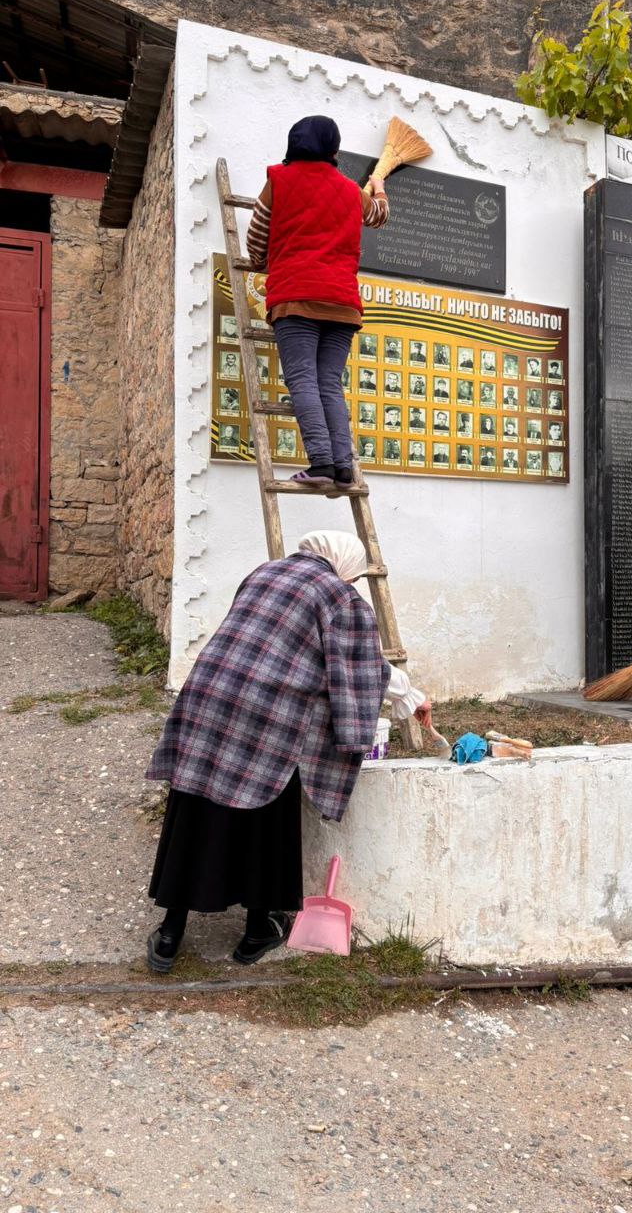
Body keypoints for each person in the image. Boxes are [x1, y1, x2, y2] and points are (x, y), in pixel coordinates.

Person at [144, 531, 429, 972]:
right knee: (265, 817)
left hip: (209, 696)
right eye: (353, 577)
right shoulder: (340, 597)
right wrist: (410, 696)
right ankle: (257, 929)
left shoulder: (264, 571)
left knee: (195, 810)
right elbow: (363, 667)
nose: (352, 584)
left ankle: (169, 936)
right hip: (268, 714)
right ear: (344, 566)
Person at [246, 116, 389, 488]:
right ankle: (343, 467)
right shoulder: (350, 191)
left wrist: (263, 262)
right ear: (334, 150)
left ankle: (321, 463)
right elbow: (378, 216)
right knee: (329, 382)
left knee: (302, 378)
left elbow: (257, 236)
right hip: (343, 303)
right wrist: (379, 186)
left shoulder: (279, 180)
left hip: (296, 297)